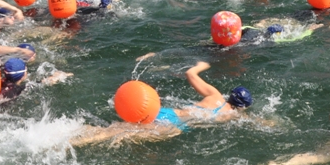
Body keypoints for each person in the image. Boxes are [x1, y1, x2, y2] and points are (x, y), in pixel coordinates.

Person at [71, 62, 253, 147]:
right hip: (174, 126)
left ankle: (75, 131)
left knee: (116, 128)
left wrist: (203, 64)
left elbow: (190, 74)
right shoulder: (231, 116)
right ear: (242, 107)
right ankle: (74, 142)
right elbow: (254, 123)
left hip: (165, 112)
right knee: (121, 135)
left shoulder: (214, 95)